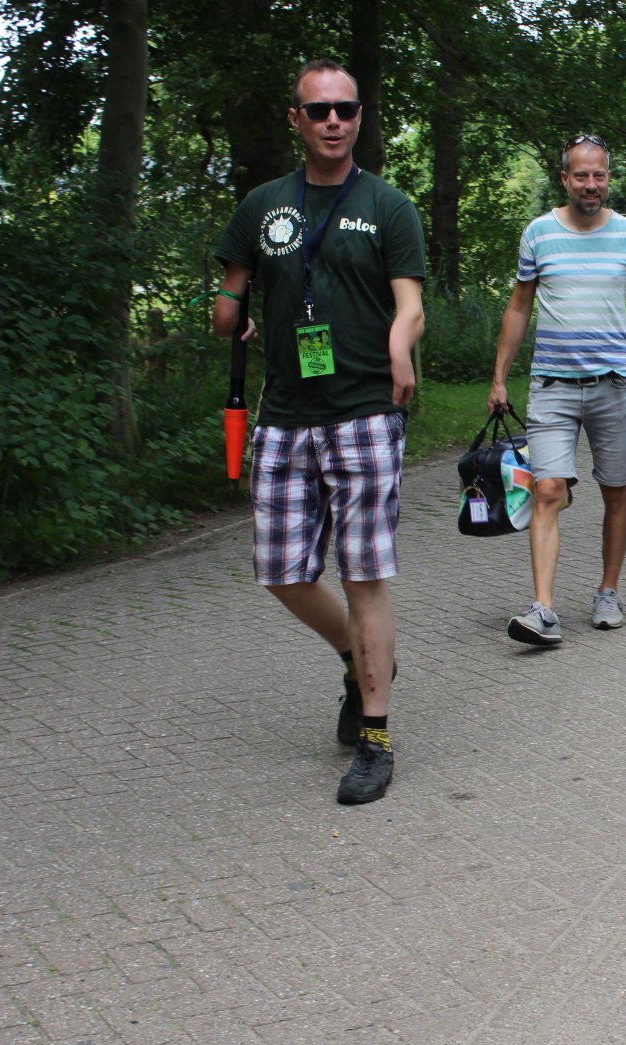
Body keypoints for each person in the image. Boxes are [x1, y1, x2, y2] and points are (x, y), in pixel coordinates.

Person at [213, 58, 426, 805]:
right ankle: (355, 654)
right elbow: (231, 295)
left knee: (363, 573)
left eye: (346, 108)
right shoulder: (264, 205)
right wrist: (230, 316)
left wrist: (401, 344)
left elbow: (410, 304)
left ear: (360, 118)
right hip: (283, 416)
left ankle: (374, 736)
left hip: (365, 411)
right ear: (296, 119)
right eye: (319, 109)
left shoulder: (388, 207)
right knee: (282, 572)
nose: (333, 120)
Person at [488, 134, 626, 647]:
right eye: (580, 175)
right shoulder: (539, 233)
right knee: (547, 490)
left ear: (608, 178)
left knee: (615, 491)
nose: (590, 184)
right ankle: (543, 610)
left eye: (598, 175)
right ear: (565, 178)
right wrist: (499, 376)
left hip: (612, 388)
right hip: (552, 387)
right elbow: (519, 307)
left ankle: (608, 591)